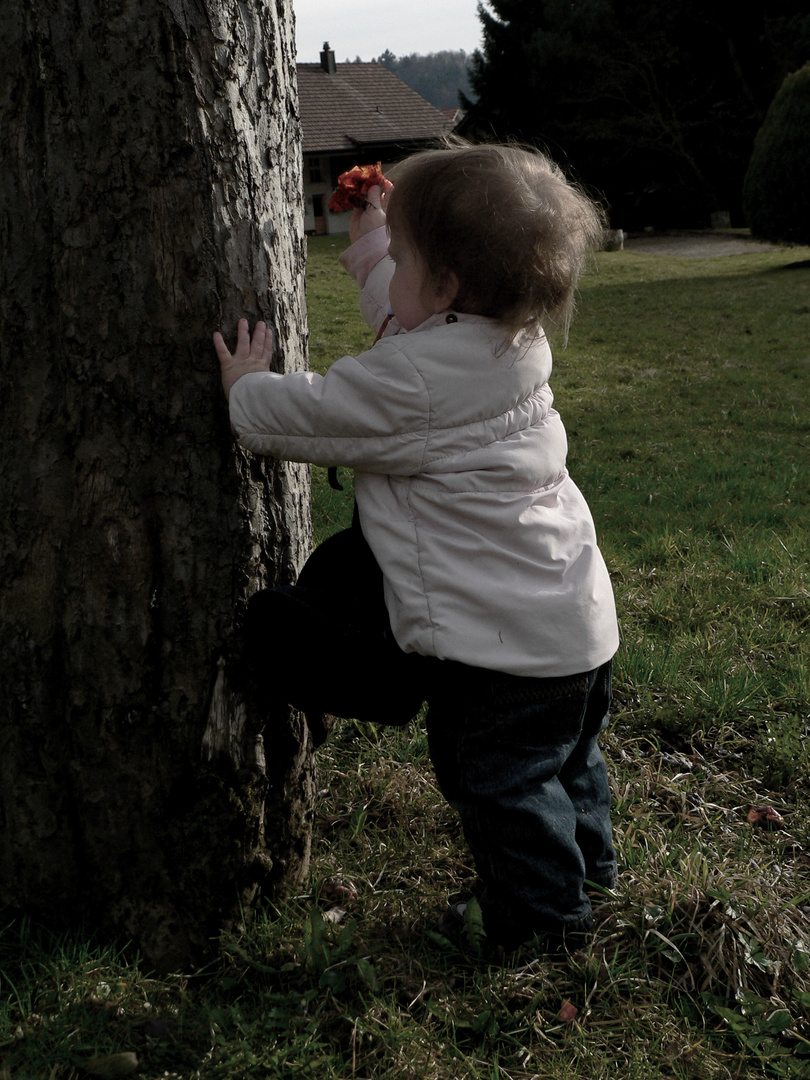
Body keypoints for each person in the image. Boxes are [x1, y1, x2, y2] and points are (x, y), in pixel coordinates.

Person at [214, 141, 619, 954]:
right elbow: (403, 316)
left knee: (501, 784)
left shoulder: (413, 385)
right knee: (570, 764)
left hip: (497, 656)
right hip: (573, 626)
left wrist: (246, 389)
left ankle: (545, 928)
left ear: (447, 286)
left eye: (402, 257)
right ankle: (593, 879)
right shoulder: (513, 341)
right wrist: (374, 238)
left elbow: (311, 414)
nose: (385, 274)